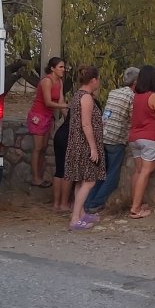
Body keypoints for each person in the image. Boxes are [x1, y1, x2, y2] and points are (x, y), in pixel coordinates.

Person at [84, 67, 137, 215]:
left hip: (104, 135)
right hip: (116, 139)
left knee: (101, 173)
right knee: (112, 176)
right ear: (135, 82)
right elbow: (133, 118)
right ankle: (95, 203)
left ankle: (87, 202)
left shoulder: (113, 92)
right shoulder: (132, 97)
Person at [63, 66, 106, 231]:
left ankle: (80, 213)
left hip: (77, 143)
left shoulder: (77, 95)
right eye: (98, 79)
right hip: (84, 144)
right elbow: (86, 124)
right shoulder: (86, 97)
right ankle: (75, 218)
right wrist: (93, 148)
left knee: (80, 180)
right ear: (93, 80)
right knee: (89, 181)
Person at [127, 64, 155, 218]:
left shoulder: (136, 96)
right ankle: (136, 208)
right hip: (150, 137)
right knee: (146, 171)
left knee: (138, 171)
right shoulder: (154, 97)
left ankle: (136, 202)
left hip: (134, 137)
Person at [27, 57, 68, 187]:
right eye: (61, 67)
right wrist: (65, 106)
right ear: (52, 68)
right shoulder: (46, 81)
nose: (63, 69)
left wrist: (67, 118)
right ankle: (36, 178)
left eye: (64, 67)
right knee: (38, 148)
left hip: (48, 116)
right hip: (38, 116)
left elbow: (61, 101)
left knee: (43, 148)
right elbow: (48, 102)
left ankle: (40, 176)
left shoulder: (59, 82)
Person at [51, 111, 73, 212]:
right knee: (67, 171)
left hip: (60, 134)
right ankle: (64, 204)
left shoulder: (74, 104)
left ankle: (56, 204)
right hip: (68, 137)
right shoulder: (87, 104)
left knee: (59, 170)